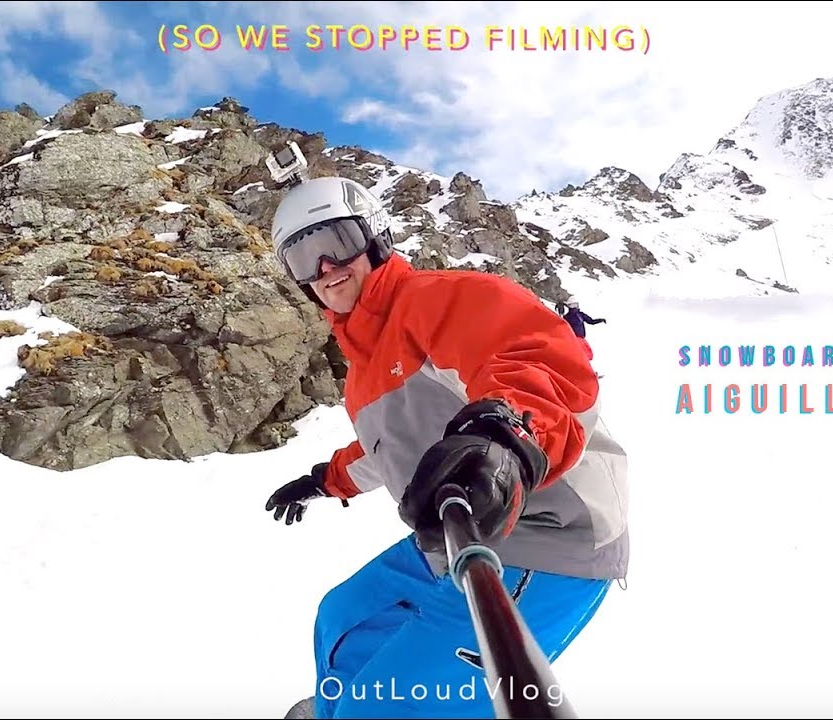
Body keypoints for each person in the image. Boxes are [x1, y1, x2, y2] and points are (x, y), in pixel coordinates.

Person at [263, 174, 630, 719]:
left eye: (336, 243)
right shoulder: (362, 368)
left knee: (391, 708)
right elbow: (386, 448)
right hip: (453, 532)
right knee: (341, 618)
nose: (326, 269)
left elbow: (538, 367)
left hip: (546, 539)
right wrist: (325, 480)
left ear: (373, 238)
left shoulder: (445, 299)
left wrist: (506, 439)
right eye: (303, 258)